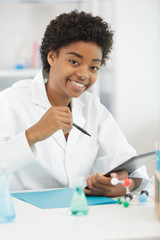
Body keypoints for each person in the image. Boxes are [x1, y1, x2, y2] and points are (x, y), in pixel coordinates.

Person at [0, 10, 148, 196]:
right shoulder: (10, 102)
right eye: (74, 62)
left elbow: (132, 167)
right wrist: (34, 134)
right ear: (52, 57)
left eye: (94, 67)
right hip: (23, 217)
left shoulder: (92, 107)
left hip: (77, 214)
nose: (84, 74)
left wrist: (124, 184)